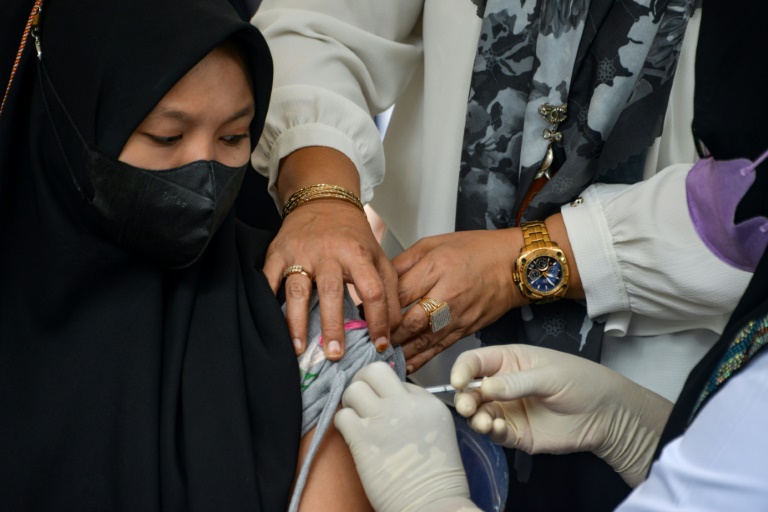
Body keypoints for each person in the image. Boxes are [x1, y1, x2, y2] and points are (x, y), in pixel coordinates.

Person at [249, 1, 752, 509]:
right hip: (427, 360)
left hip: (669, 373)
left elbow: (747, 199)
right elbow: (321, 25)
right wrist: (323, 193)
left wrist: (531, 261)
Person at [0, 0, 399, 509]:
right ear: (73, 121)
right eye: (167, 136)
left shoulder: (301, 312)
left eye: (234, 136)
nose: (205, 172)